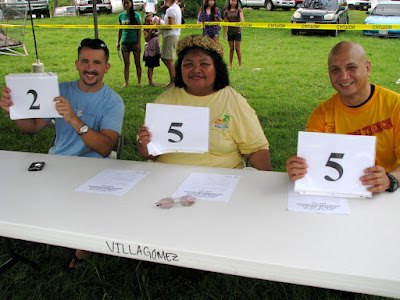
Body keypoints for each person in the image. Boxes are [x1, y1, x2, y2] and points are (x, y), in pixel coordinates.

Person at [0, 38, 125, 267]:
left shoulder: (113, 102)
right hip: (56, 163)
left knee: (89, 203)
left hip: (94, 168)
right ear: (77, 64)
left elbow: (105, 147)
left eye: (97, 63)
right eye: (85, 61)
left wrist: (74, 120)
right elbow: (33, 128)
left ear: (106, 68)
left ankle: (82, 249)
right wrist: (15, 110)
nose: (90, 68)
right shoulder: (59, 90)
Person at [137, 35, 272, 171]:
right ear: (180, 68)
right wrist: (143, 142)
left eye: (204, 64)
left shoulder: (233, 102)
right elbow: (147, 152)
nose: (196, 69)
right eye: (188, 64)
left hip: (219, 181)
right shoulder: (164, 101)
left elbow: (256, 150)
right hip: (166, 177)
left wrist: (265, 183)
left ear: (217, 68)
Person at [286, 41, 400, 193]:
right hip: (336, 193)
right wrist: (298, 168)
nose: (344, 76)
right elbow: (312, 165)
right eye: (335, 70)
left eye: (351, 67)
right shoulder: (321, 113)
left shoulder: (395, 105)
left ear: (367, 68)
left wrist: (390, 179)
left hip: (385, 195)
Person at [117, 0, 142, 88]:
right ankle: (126, 82)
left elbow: (139, 29)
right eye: (124, 3)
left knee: (137, 62)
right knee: (126, 63)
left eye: (127, 3)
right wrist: (118, 42)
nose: (125, 5)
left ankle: (139, 82)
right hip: (125, 42)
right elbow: (120, 29)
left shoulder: (137, 15)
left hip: (134, 41)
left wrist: (139, 42)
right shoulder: (121, 15)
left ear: (131, 4)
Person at [161, 0, 181, 87]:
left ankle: (173, 81)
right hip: (173, 35)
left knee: (168, 59)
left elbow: (170, 26)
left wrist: (159, 26)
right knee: (165, 58)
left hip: (170, 36)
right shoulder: (176, 7)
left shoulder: (170, 10)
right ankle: (173, 79)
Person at [224, 0, 244, 69]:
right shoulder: (226, 11)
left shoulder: (239, 10)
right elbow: (225, 23)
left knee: (237, 49)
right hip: (230, 32)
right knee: (231, 49)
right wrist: (224, 33)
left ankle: (240, 64)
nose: (233, 2)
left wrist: (243, 22)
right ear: (229, 2)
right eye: (232, 1)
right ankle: (230, 64)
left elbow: (242, 17)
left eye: (234, 1)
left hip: (237, 31)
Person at [143, 14, 161, 86]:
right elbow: (146, 39)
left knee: (153, 66)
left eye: (151, 21)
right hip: (150, 50)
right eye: (148, 21)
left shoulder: (156, 28)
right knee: (150, 66)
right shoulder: (146, 30)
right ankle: (150, 81)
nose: (150, 23)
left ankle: (152, 81)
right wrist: (150, 31)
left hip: (156, 48)